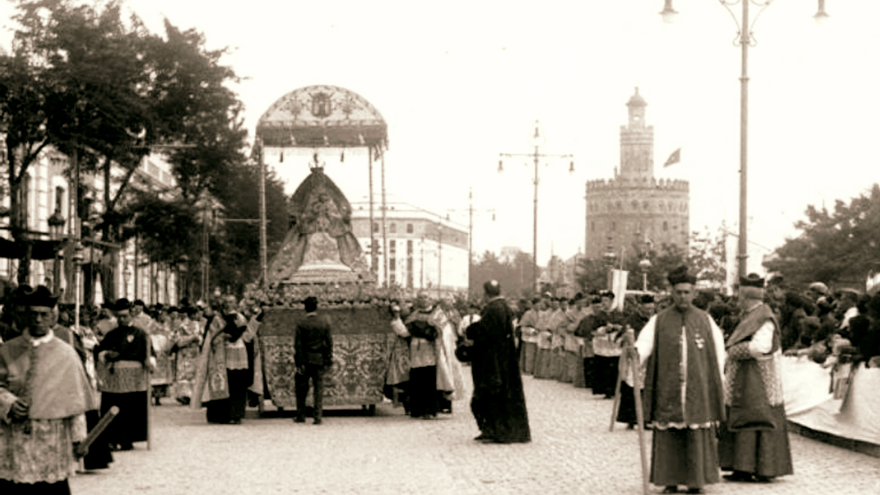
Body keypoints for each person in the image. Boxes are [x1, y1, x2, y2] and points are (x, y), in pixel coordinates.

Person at [631, 266, 726, 494]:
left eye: (687, 292)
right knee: (670, 430)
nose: (683, 296)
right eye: (678, 292)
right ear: (671, 292)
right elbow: (645, 343)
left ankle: (696, 481)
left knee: (696, 430)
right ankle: (670, 480)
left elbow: (719, 352)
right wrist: (636, 353)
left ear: (694, 293)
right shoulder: (659, 320)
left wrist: (717, 380)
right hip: (669, 386)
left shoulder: (705, 320)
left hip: (697, 386)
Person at [0, 285, 93, 494]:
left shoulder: (66, 354)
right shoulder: (7, 350)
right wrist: (8, 404)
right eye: (33, 314)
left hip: (52, 442)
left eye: (44, 314)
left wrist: (80, 439)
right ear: (25, 316)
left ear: (53, 317)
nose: (38, 320)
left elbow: (76, 403)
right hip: (13, 442)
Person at [718, 274, 793, 483]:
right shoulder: (751, 314)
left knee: (754, 417)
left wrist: (733, 351)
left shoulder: (763, 316)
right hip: (747, 376)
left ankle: (759, 468)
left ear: (745, 295)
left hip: (758, 377)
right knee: (744, 415)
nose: (736, 299)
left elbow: (762, 347)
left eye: (738, 295)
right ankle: (741, 466)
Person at [464, 280, 530, 443]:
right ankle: (500, 429)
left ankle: (496, 430)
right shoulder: (505, 307)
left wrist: (471, 330)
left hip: (492, 361)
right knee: (503, 394)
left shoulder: (493, 308)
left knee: (489, 394)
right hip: (504, 358)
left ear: (486, 293)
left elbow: (485, 332)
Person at [95, 298, 150, 451]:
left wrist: (149, 361)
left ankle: (128, 439)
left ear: (131, 315)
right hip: (114, 379)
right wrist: (106, 354)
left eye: (125, 316)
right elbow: (99, 350)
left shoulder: (140, 334)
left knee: (130, 409)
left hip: (134, 379)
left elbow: (149, 353)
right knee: (112, 408)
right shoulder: (111, 334)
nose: (121, 319)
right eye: (119, 316)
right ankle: (112, 439)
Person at [193, 295, 251, 425]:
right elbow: (211, 337)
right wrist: (221, 337)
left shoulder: (241, 318)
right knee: (224, 384)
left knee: (237, 385)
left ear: (236, 304)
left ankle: (236, 414)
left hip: (239, 353)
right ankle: (221, 415)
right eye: (227, 302)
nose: (229, 304)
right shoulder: (217, 319)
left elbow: (247, 335)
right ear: (223, 304)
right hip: (222, 355)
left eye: (232, 302)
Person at [616, 294, 655, 429]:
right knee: (631, 386)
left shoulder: (653, 319)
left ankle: (644, 418)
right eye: (646, 309)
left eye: (651, 309)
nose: (649, 311)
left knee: (647, 387)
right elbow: (623, 336)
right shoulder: (632, 320)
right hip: (634, 357)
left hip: (649, 358)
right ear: (640, 307)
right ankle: (631, 418)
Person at [292, 296, 333, 424]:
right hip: (319, 359)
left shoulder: (301, 323)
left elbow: (298, 345)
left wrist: (299, 362)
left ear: (305, 307)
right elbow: (329, 342)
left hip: (305, 360)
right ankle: (318, 416)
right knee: (318, 389)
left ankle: (301, 415)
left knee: (301, 389)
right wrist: (328, 359)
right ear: (317, 306)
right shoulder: (324, 322)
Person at [169, 306, 203, 405]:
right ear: (192, 314)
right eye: (196, 314)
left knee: (195, 374)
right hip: (184, 353)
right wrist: (191, 338)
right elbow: (178, 341)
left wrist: (199, 339)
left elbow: (202, 337)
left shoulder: (198, 325)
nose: (198, 316)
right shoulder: (181, 326)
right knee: (183, 374)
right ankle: (183, 395)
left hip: (195, 352)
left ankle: (194, 395)